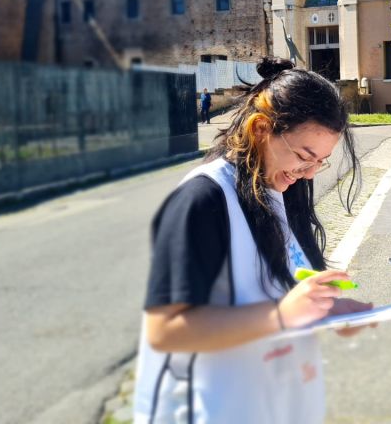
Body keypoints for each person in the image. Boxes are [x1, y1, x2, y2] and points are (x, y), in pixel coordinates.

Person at [134, 57, 372, 424]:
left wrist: (328, 311)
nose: (309, 175)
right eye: (304, 157)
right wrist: (280, 316)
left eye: (321, 161)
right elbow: (164, 331)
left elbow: (276, 291)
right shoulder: (203, 199)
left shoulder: (283, 191)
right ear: (261, 128)